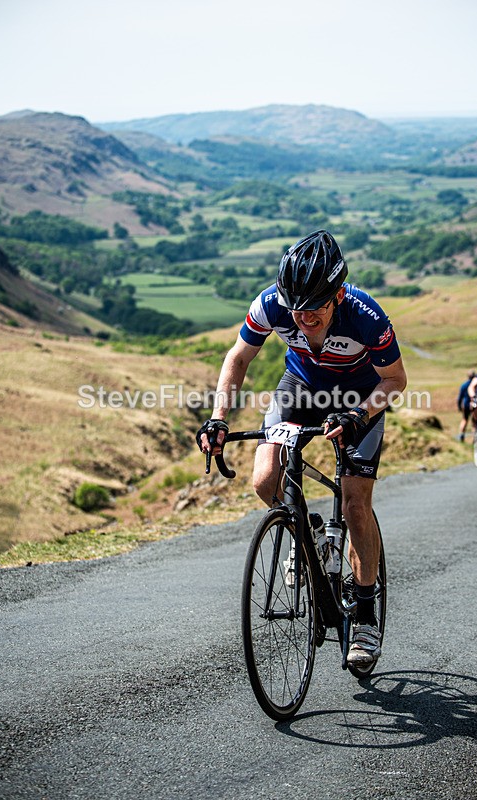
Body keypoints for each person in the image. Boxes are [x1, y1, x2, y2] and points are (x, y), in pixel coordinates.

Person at [196, 230, 407, 666]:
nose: (303, 319)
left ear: (338, 294)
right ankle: (304, 530)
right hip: (300, 390)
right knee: (263, 480)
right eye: (296, 310)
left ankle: (364, 610)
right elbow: (238, 359)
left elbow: (395, 381)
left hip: (358, 398)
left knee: (354, 506)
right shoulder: (272, 304)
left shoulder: (366, 315)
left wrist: (359, 416)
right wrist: (219, 417)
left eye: (314, 310)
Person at [457, 371, 477, 442]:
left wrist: (459, 406)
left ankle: (462, 435)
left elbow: (460, 397)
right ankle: (475, 438)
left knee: (464, 419)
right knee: (474, 422)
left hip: (465, 405)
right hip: (474, 405)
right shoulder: (476, 385)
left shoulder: (464, 385)